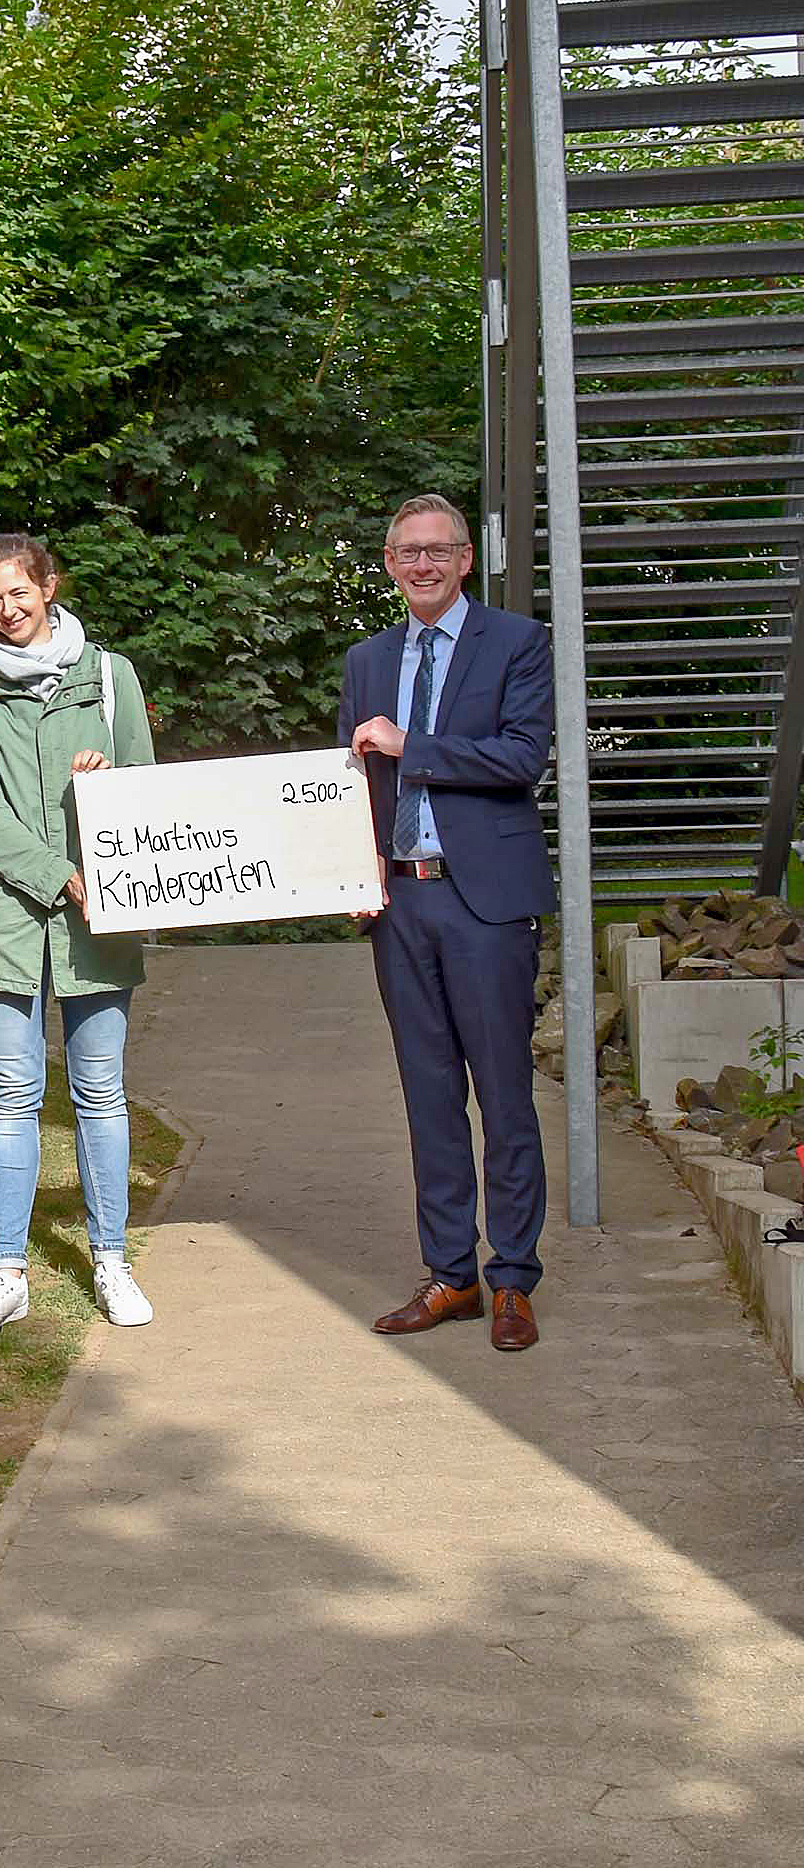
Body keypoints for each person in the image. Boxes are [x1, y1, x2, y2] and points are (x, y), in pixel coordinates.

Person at [342, 494, 555, 1352]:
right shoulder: (366, 658)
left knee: (503, 1093)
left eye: (439, 551)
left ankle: (513, 1280)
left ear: (466, 560)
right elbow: (347, 779)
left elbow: (520, 758)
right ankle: (451, 1275)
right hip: (402, 902)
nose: (423, 565)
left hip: (487, 901)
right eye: (407, 552)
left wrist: (411, 746)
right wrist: (351, 872)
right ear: (390, 564)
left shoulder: (516, 642)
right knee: (429, 1095)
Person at [0, 533, 156, 1338]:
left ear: (49, 586)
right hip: (8, 917)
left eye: (19, 592)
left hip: (100, 918)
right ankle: (7, 1273)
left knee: (100, 1092)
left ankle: (111, 1259)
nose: (7, 609)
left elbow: (148, 785)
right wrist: (58, 873)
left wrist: (112, 780)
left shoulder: (109, 678)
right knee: (10, 1095)